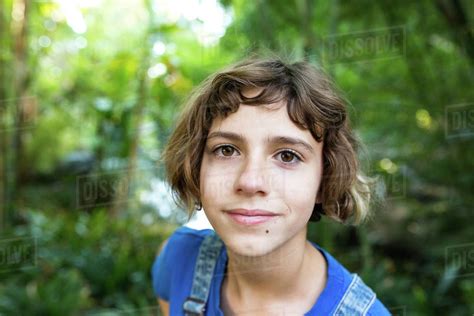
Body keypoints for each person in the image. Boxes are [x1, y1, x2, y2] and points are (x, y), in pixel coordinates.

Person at [151, 56, 391, 315]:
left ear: (326, 180)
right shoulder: (178, 259)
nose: (250, 181)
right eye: (226, 150)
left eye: (287, 156)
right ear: (196, 167)